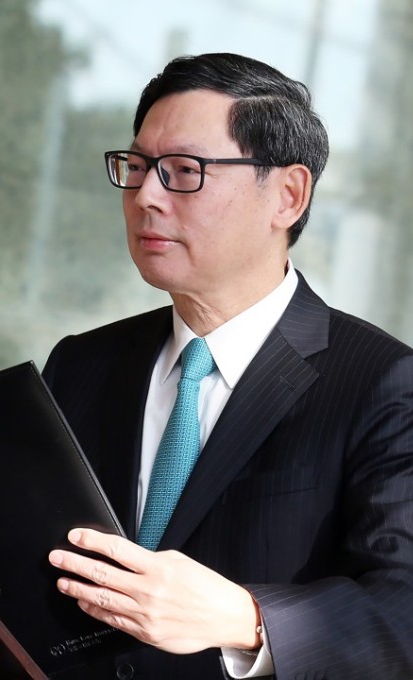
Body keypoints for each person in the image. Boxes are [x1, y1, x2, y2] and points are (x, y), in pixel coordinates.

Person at [43, 53, 413, 679]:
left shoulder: (381, 383)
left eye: (184, 171)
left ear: (288, 196)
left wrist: (247, 618)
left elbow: (402, 608)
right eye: (136, 167)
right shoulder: (82, 363)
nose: (146, 197)